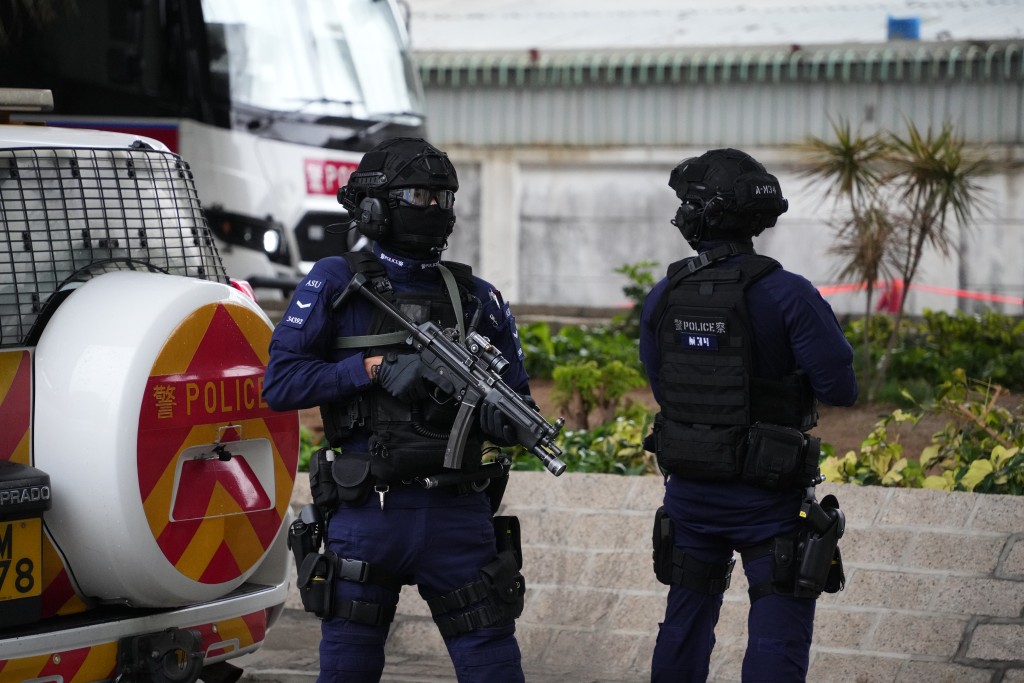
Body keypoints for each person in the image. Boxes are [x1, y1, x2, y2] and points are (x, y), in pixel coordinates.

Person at [263, 137, 531, 682]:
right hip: (369, 508)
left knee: (493, 666)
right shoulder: (335, 281)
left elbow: (520, 400)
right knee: (349, 666)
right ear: (372, 206)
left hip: (458, 513)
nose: (433, 208)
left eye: (442, 197)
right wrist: (369, 369)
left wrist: (503, 422)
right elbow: (280, 384)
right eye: (417, 195)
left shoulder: (478, 296)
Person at [639, 148, 858, 682]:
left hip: (691, 494)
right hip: (768, 498)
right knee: (777, 635)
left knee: (683, 625)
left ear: (701, 215)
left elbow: (665, 389)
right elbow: (840, 388)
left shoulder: (664, 295)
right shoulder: (788, 293)